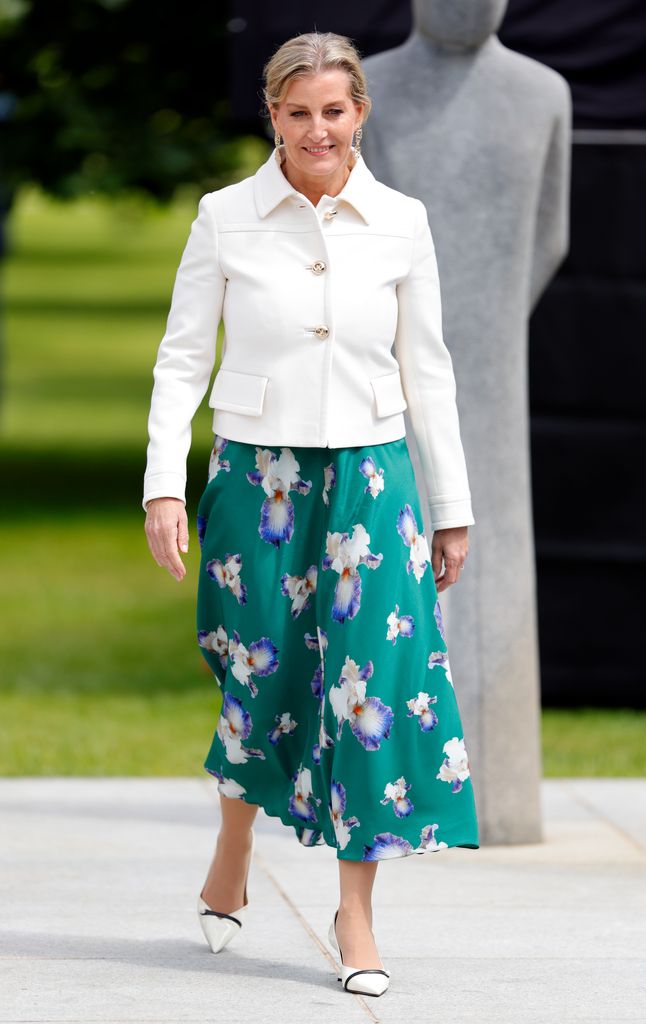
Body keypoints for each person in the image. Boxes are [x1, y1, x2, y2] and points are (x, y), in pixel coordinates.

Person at [143, 30, 479, 997]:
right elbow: (180, 360)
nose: (317, 129)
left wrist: (450, 507)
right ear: (274, 116)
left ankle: (357, 915)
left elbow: (430, 370)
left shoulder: (403, 221)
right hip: (259, 481)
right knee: (261, 673)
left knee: (367, 689)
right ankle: (235, 846)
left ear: (360, 113)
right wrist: (165, 483)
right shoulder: (224, 216)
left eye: (334, 111)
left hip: (373, 484)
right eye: (298, 113)